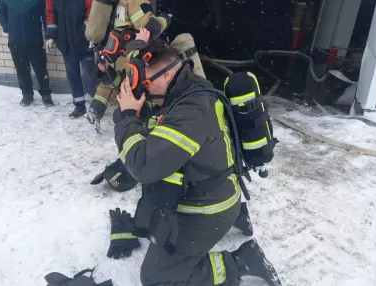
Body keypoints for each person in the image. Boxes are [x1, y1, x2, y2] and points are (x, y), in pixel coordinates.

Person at [110, 40, 282, 285]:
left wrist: (127, 116)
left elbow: (144, 166)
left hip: (206, 208)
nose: (143, 90)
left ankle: (241, 262)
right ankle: (237, 216)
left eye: (145, 82)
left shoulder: (191, 110)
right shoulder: (188, 89)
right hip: (205, 189)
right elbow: (155, 134)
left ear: (168, 73)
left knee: (157, 278)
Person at [83, 0, 172, 132]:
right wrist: (166, 18)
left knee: (112, 79)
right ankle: (135, 120)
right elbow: (147, 26)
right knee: (131, 83)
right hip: (131, 49)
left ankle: (95, 109)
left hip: (111, 46)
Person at [45, 0, 99, 118]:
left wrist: (84, 31)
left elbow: (92, 11)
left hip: (85, 43)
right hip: (66, 44)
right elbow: (50, 15)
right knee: (73, 76)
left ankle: (98, 106)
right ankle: (79, 107)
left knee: (90, 76)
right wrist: (51, 36)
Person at [0, 0, 54, 107]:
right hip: (15, 40)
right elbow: (0, 13)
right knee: (22, 69)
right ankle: (27, 94)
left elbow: (45, 15)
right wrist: (8, 27)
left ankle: (46, 94)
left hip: (35, 39)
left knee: (40, 69)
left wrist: (48, 35)